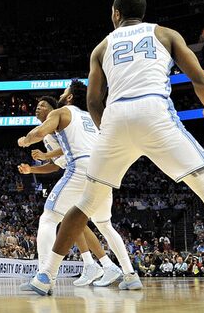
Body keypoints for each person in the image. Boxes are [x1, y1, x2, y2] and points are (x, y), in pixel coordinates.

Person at [26, 0, 204, 302]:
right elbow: (199, 77)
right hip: (154, 112)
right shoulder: (164, 33)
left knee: (84, 203)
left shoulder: (102, 46)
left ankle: (46, 275)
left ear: (115, 14)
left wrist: (108, 130)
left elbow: (94, 100)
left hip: (114, 117)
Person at [17, 86, 137, 289]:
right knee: (103, 224)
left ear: (70, 97)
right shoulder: (91, 118)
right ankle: (129, 274)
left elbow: (39, 133)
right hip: (103, 170)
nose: (61, 95)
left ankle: (44, 276)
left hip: (80, 167)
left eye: (64, 92)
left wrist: (25, 140)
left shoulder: (61, 112)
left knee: (49, 217)